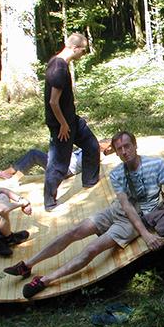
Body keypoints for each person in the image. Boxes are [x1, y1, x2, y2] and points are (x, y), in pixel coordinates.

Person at [4, 131, 164, 299]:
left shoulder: (156, 165)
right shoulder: (117, 174)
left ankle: (44, 280)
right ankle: (27, 265)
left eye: (127, 146)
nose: (124, 151)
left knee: (92, 249)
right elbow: (125, 205)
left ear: (135, 146)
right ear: (115, 152)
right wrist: (147, 235)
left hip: (134, 221)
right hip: (117, 210)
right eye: (119, 149)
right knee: (74, 231)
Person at [44, 32, 100, 211]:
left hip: (71, 120)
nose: (83, 54)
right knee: (59, 164)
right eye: (83, 51)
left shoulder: (60, 63)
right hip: (62, 125)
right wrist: (63, 124)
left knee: (92, 145)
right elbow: (53, 102)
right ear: (75, 48)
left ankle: (90, 182)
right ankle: (49, 202)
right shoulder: (59, 67)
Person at [0, 142, 115, 181]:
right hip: (61, 163)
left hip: (64, 170)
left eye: (104, 142)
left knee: (34, 154)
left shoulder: (99, 156)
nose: (100, 142)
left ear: (108, 148)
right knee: (37, 154)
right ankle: (11, 172)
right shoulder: (91, 148)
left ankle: (9, 172)